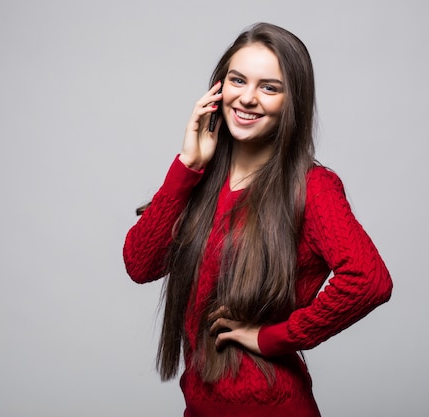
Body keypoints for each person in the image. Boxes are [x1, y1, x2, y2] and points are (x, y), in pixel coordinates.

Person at [123, 22, 392, 417]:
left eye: (269, 87)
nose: (247, 98)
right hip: (199, 404)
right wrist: (187, 167)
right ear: (218, 88)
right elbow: (140, 265)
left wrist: (275, 338)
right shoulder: (199, 181)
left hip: (269, 406)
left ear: (291, 101)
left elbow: (370, 281)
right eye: (237, 80)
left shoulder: (312, 187)